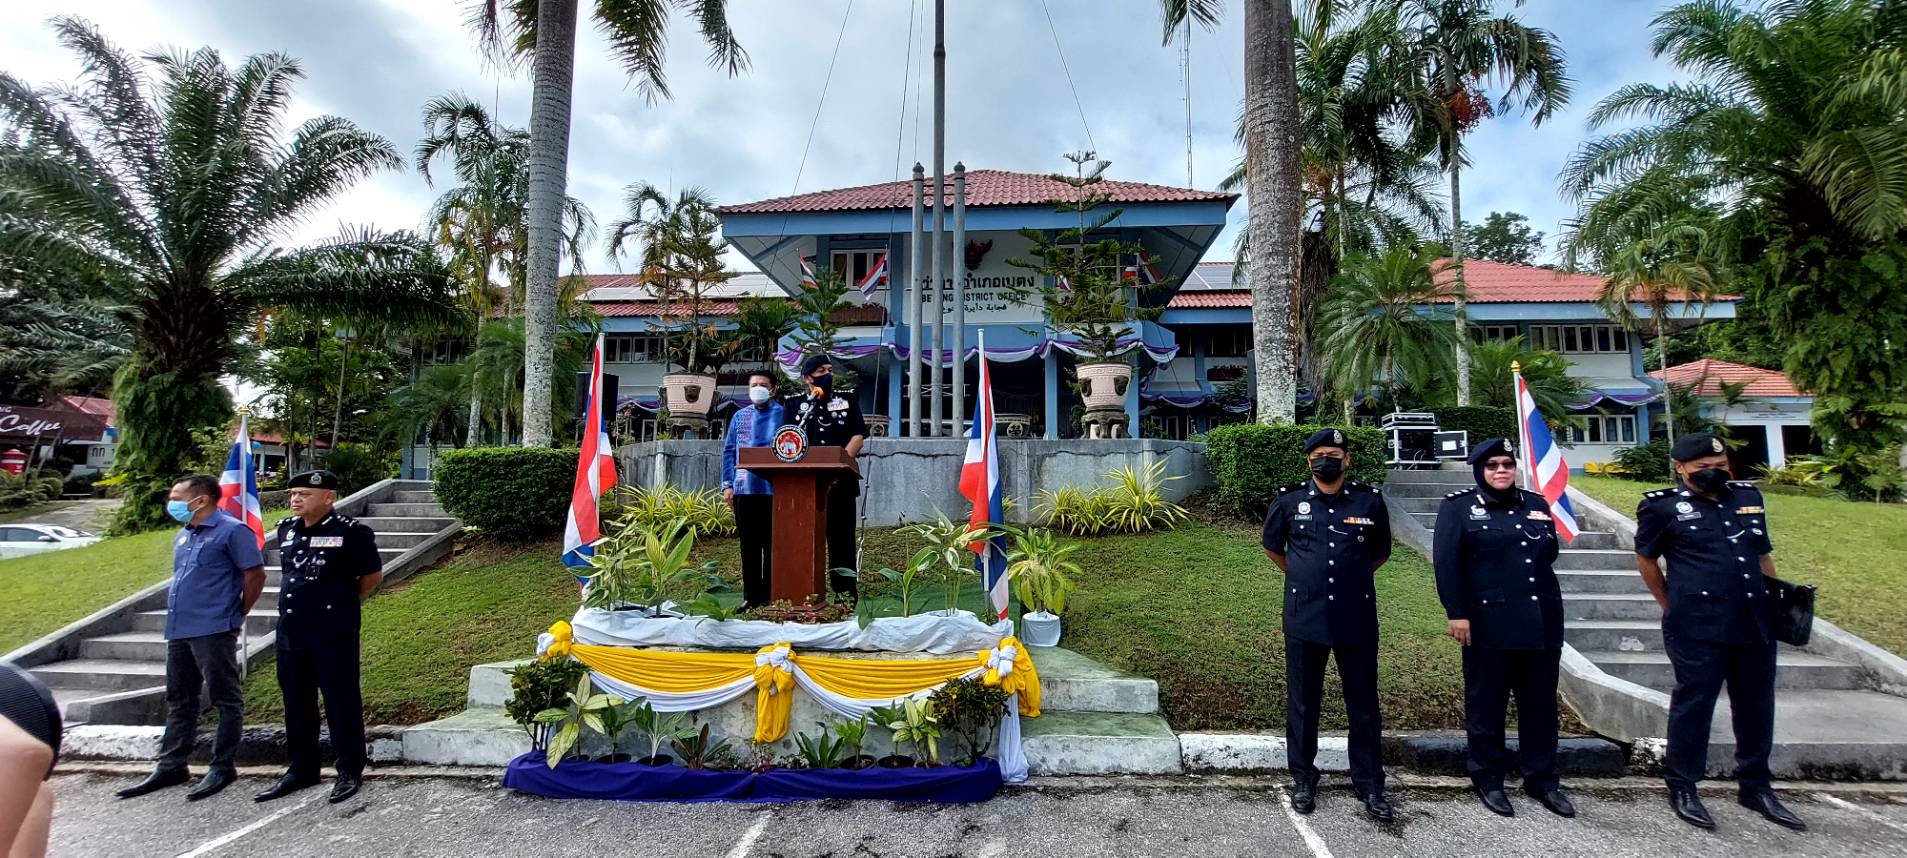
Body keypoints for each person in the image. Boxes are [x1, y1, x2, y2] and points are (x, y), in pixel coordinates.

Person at [1636, 432, 1805, 832]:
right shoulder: (1661, 507)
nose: (1713, 472)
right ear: (1681, 468)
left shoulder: (1747, 497)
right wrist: (1670, 605)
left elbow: (1762, 555)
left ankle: (1756, 786)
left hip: (1753, 621)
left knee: (1756, 706)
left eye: (1720, 465)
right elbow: (1646, 560)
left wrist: (1775, 603)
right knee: (1694, 706)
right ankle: (1683, 785)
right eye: (1702, 468)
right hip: (1697, 624)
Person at [1432, 439, 1575, 819]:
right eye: (1493, 465)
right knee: (1487, 706)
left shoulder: (1537, 505)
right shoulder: (1459, 508)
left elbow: (1547, 554)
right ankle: (1488, 778)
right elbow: (1446, 564)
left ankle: (1542, 780)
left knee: (1540, 707)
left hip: (1540, 622)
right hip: (1488, 624)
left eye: (1507, 464)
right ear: (1480, 470)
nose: (1501, 471)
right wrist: (1456, 613)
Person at [1261, 428, 1394, 821]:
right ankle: (1303, 778)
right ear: (1308, 460)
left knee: (1363, 704)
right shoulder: (1289, 500)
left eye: (1334, 454)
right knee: (1303, 703)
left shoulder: (1369, 502)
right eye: (1319, 454)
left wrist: (1349, 580)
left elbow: (1380, 553)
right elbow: (1273, 547)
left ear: (1347, 460)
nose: (1326, 460)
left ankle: (1369, 782)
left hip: (1356, 616)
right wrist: (1305, 577)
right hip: (1306, 616)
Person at [117, 475, 265, 802]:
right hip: (180, 628)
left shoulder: (232, 531)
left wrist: (238, 611)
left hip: (214, 627)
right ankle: (172, 764)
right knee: (180, 697)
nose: (172, 503)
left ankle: (222, 766)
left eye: (177, 497)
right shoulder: (185, 534)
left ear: (201, 500)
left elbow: (255, 574)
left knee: (225, 697)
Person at [255, 470, 383, 805]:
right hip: (292, 630)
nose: (296, 499)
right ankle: (302, 768)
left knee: (340, 701)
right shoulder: (286, 529)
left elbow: (372, 576)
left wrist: (341, 604)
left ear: (328, 497)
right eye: (293, 494)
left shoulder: (350, 532)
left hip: (332, 631)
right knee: (296, 702)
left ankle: (349, 769)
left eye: (304, 494)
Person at [788, 354, 867, 602]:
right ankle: (804, 594)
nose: (828, 375)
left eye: (830, 370)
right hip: (805, 486)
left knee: (841, 542)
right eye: (821, 371)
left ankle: (845, 596)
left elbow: (857, 437)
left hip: (840, 484)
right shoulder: (794, 405)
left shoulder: (847, 399)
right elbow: (786, 441)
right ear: (807, 378)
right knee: (804, 541)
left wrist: (839, 465)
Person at [722, 370, 786, 608]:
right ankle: (750, 597)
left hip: (775, 490)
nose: (757, 389)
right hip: (744, 488)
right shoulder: (740, 416)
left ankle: (770, 595)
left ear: (773, 390)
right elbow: (729, 450)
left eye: (763, 385)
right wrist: (727, 485)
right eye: (753, 385)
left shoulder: (785, 414)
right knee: (748, 545)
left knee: (773, 544)